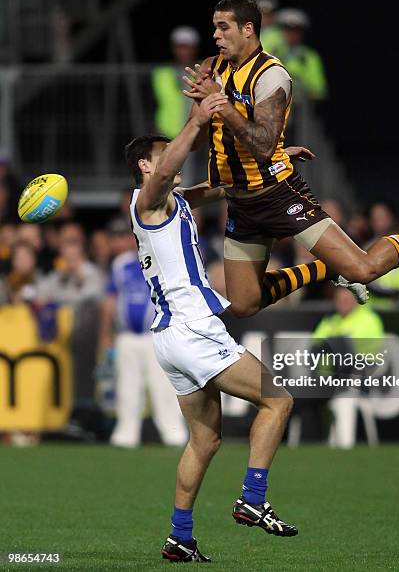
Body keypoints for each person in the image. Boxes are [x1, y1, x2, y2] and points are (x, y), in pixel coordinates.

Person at [182, 0, 399, 319]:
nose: (215, 35)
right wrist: (199, 115)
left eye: (223, 27)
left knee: (363, 269)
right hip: (241, 203)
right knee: (243, 304)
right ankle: (326, 269)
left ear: (248, 28)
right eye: (214, 28)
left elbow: (264, 146)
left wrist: (220, 103)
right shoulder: (212, 68)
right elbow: (197, 142)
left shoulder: (271, 75)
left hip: (278, 195)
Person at [125, 93, 297, 563]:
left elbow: (217, 187)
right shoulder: (148, 198)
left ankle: (179, 537)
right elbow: (167, 172)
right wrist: (197, 118)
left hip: (169, 337)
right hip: (193, 328)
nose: (173, 159)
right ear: (144, 165)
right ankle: (253, 498)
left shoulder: (170, 199)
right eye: (163, 154)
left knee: (204, 440)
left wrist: (276, 161)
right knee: (278, 399)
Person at [97, 217, 187, 448]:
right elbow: (111, 299)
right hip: (126, 335)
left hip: (155, 333)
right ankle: (126, 432)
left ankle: (172, 430)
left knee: (162, 385)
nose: (122, 241)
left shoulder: (157, 259)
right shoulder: (120, 265)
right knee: (127, 385)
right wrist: (106, 334)